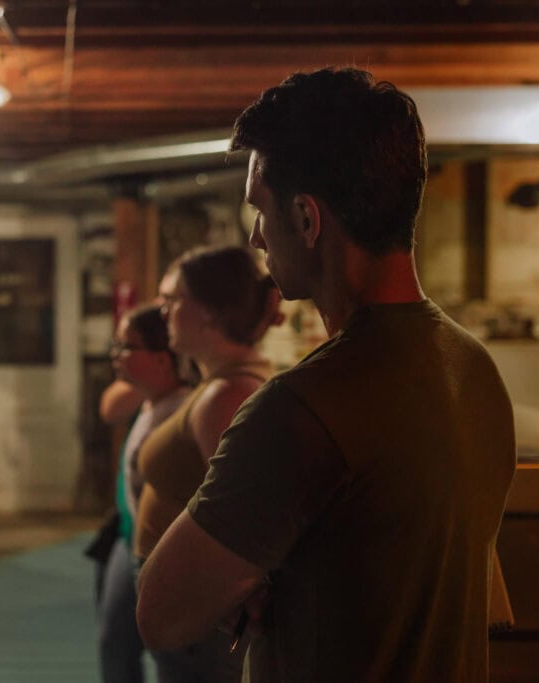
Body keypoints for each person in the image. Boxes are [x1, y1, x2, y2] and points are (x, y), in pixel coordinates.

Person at [136, 67, 516, 682]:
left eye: (260, 209)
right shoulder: (473, 369)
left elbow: (162, 614)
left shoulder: (301, 410)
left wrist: (251, 576)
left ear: (307, 219)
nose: (256, 236)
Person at [135, 245, 279, 682]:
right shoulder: (217, 384)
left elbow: (247, 515)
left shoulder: (226, 395)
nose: (163, 311)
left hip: (200, 609)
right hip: (191, 602)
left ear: (209, 313)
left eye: (173, 299)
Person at [91, 302, 192, 683]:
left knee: (173, 659)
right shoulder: (150, 401)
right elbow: (110, 408)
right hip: (129, 538)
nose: (115, 356)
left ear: (163, 358)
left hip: (164, 553)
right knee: (114, 642)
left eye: (126, 347)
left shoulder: (185, 411)